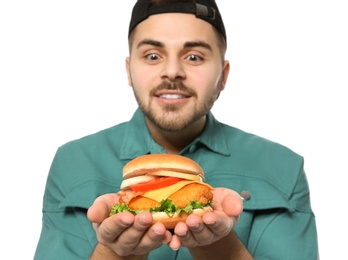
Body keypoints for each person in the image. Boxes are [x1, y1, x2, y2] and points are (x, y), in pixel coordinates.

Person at [34, 0, 319, 259]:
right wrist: (117, 252)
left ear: (223, 75)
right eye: (153, 55)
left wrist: (218, 245)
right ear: (129, 69)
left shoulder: (284, 168)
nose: (172, 71)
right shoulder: (72, 162)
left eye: (194, 57)